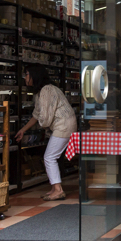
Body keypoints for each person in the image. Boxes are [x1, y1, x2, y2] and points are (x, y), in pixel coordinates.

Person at [15, 65, 77, 201]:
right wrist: (23, 130)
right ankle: (55, 188)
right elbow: (36, 115)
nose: (25, 77)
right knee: (51, 157)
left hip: (63, 126)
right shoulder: (41, 91)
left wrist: (42, 125)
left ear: (34, 75)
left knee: (49, 157)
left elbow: (45, 120)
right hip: (64, 125)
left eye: (27, 74)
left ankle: (58, 190)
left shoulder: (46, 90)